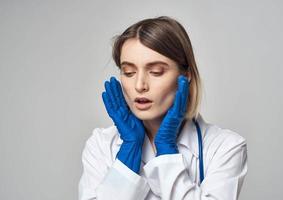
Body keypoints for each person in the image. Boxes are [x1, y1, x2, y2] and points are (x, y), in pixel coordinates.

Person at [78, 16, 248, 200]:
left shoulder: (225, 147)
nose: (140, 85)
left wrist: (166, 149)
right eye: (129, 72)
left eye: (156, 71)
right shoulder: (101, 145)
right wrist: (130, 148)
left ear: (186, 75)